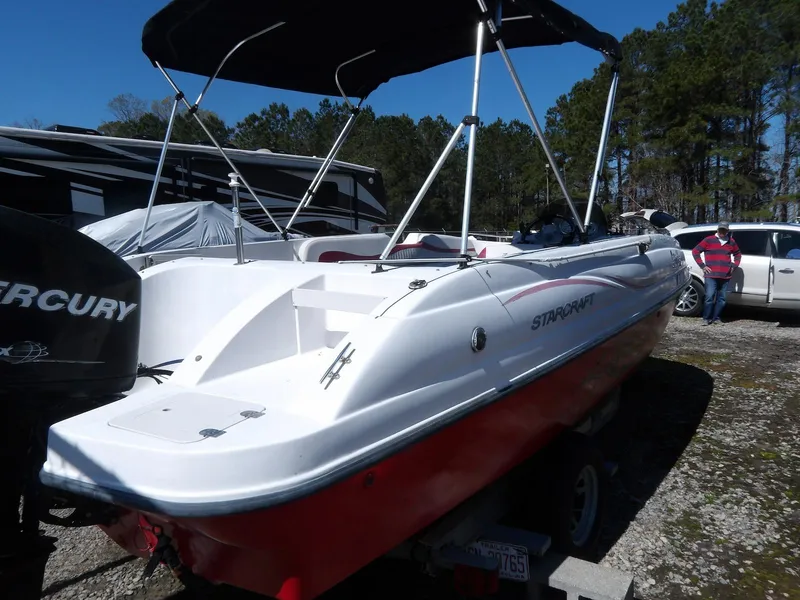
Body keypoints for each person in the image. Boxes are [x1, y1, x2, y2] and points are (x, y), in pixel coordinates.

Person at [691, 221, 742, 325]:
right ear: (717, 229)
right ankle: (706, 318)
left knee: (722, 299)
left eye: (724, 230)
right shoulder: (708, 240)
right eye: (720, 229)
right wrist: (702, 266)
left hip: (725, 276)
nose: (722, 232)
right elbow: (695, 251)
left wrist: (734, 266)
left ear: (727, 231)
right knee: (709, 297)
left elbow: (738, 254)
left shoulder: (731, 241)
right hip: (711, 275)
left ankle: (716, 318)